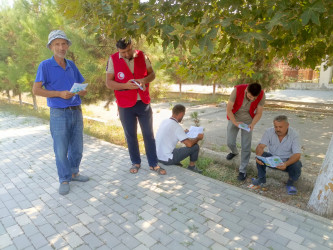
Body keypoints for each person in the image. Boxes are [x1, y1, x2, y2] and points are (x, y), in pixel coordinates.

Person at [32, 30, 89, 195]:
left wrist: (81, 91)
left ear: (67, 46)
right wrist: (59, 93)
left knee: (77, 147)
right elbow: (36, 90)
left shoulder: (71, 65)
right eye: (57, 44)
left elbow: (81, 86)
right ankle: (64, 179)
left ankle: (74, 172)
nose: (61, 47)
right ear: (51, 47)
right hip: (58, 113)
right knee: (61, 148)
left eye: (64, 43)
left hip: (76, 111)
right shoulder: (45, 65)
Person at [105, 38, 166, 175]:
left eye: (128, 50)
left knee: (148, 134)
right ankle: (136, 162)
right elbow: (109, 83)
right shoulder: (113, 59)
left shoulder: (142, 56)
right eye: (123, 52)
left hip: (143, 102)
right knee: (130, 135)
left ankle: (153, 163)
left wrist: (144, 80)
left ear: (132, 46)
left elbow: (152, 74)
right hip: (125, 104)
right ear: (118, 50)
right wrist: (125, 86)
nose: (126, 54)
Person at [252, 115, 302, 195]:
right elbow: (260, 146)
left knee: (297, 164)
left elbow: (297, 154)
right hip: (272, 160)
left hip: (286, 163)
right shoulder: (269, 132)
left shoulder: (294, 135)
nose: (278, 129)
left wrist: (286, 164)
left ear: (287, 125)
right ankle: (261, 179)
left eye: (280, 127)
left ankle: (290, 184)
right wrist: (258, 157)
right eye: (276, 127)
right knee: (261, 155)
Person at [226, 82, 265, 181]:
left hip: (248, 119)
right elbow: (229, 109)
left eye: (254, 98)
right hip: (234, 117)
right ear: (246, 90)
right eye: (250, 96)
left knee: (246, 145)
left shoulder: (261, 94)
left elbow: (259, 112)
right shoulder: (237, 90)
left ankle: (242, 170)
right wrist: (235, 122)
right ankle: (234, 152)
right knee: (230, 142)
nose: (252, 99)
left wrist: (253, 123)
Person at [155, 104, 204, 173]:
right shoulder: (177, 126)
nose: (183, 117)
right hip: (166, 159)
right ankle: (192, 167)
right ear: (181, 114)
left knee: (176, 150)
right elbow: (189, 145)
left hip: (157, 156)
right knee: (195, 146)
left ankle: (177, 161)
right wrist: (198, 138)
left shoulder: (164, 121)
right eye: (183, 115)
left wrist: (183, 132)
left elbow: (170, 133)